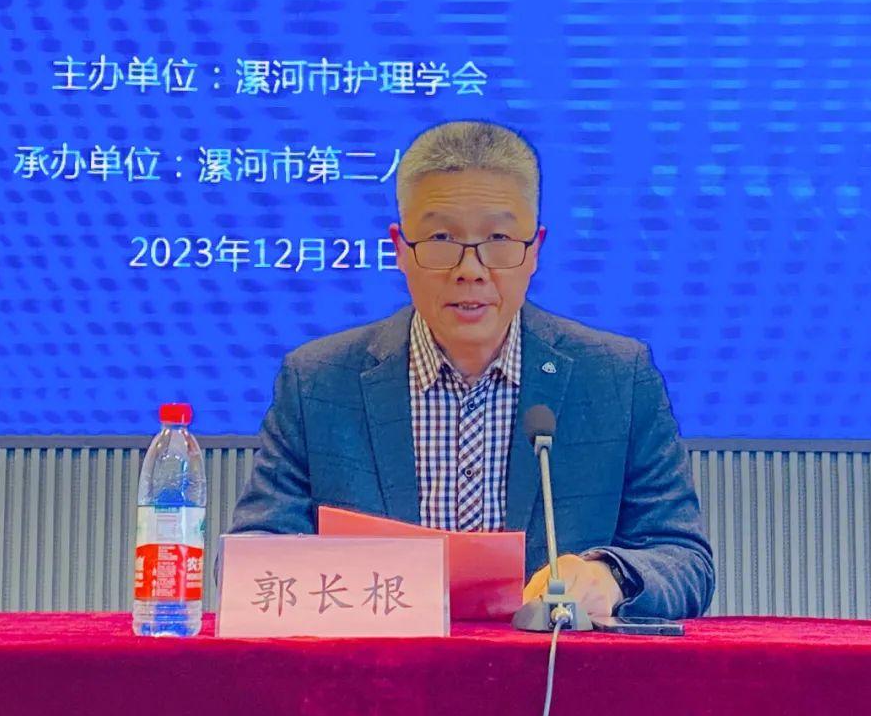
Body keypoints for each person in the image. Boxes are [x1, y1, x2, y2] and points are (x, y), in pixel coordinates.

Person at [228, 121, 714, 620]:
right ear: (400, 249)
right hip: (377, 667)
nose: (471, 270)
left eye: (499, 238)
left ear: (535, 249)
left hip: (553, 667)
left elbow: (683, 558)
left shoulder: (617, 378)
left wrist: (608, 576)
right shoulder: (318, 382)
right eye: (441, 238)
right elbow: (255, 556)